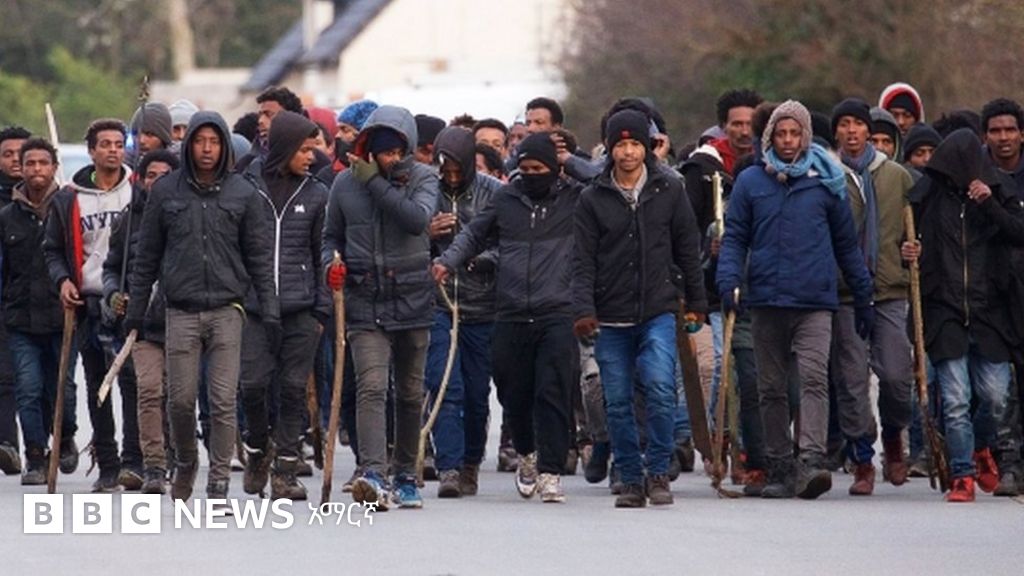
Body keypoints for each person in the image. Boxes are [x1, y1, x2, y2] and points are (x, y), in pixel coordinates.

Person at [716, 100, 874, 500]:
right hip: (766, 300)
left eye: (795, 133)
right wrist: (728, 280)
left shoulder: (827, 182)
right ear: (769, 137)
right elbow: (735, 238)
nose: (788, 141)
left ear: (806, 136)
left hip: (814, 301)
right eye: (781, 134)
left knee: (814, 379)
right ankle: (779, 464)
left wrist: (863, 294)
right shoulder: (751, 182)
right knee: (770, 387)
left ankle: (811, 461)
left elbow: (847, 245)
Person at [126, 111, 278, 503]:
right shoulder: (166, 191)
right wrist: (136, 310)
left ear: (224, 145)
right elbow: (147, 257)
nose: (207, 149)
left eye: (214, 141)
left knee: (224, 399)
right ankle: (187, 460)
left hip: (228, 308)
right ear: (189, 144)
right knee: (180, 400)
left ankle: (220, 478)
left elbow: (259, 258)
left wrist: (270, 309)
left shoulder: (243, 193)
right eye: (199, 141)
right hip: (180, 309)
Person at [434, 132, 582, 503]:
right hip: (511, 310)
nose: (531, 176)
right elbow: (473, 235)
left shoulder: (574, 198)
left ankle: (550, 472)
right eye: (525, 169)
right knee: (513, 393)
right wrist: (447, 262)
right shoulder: (506, 199)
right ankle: (527, 454)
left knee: (552, 391)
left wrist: (570, 161)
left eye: (539, 169)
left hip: (556, 310)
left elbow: (603, 177)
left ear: (554, 168)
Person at [573, 109, 707, 507]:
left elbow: (687, 248)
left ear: (647, 147)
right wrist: (583, 309)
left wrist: (697, 303)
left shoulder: (669, 190)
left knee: (661, 388)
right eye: (621, 145)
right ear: (609, 149)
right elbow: (582, 261)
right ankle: (630, 477)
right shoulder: (592, 198)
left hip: (658, 310)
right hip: (610, 316)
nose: (628, 152)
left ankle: (658, 472)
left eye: (635, 144)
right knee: (617, 401)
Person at [322, 105, 439, 510]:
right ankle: (372, 472)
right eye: (382, 151)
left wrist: (373, 182)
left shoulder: (423, 178)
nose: (390, 159)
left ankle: (405, 474)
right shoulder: (343, 184)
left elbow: (417, 220)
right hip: (363, 299)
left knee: (408, 393)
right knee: (371, 388)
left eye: (396, 152)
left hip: (412, 299)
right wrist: (330, 264)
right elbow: (330, 236)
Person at [903, 128, 1024, 502]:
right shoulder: (926, 198)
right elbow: (906, 241)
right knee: (955, 400)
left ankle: (984, 447)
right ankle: (962, 474)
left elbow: (1018, 233)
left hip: (990, 314)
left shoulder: (998, 192)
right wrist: (908, 252)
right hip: (945, 313)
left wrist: (989, 203)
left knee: (996, 396)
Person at [238, 111, 329, 501]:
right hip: (254, 308)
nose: (312, 156)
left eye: (314, 149)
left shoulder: (317, 193)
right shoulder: (246, 188)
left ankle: (286, 471)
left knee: (293, 389)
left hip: (300, 307)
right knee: (252, 385)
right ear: (286, 147)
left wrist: (322, 308)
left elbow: (323, 253)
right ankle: (259, 448)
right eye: (305, 149)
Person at [44, 118, 134, 492]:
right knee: (98, 384)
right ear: (92, 151)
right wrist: (63, 280)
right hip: (89, 301)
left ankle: (135, 461)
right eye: (106, 144)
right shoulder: (69, 198)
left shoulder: (138, 192)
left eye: (119, 144)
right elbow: (52, 249)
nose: (113, 150)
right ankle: (108, 464)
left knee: (132, 381)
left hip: (129, 300)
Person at [830, 98, 915, 495]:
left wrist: (916, 247)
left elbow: (917, 226)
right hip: (844, 292)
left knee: (897, 376)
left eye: (858, 124)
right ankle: (862, 457)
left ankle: (894, 436)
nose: (852, 131)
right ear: (836, 131)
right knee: (851, 381)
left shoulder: (897, 176)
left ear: (869, 130)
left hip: (889, 288)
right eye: (844, 123)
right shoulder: (826, 175)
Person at [426, 126, 502, 498]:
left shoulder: (495, 193)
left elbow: (513, 244)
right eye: (447, 170)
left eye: (459, 170)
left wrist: (483, 259)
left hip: (483, 305)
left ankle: (471, 459)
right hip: (438, 304)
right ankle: (449, 467)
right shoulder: (426, 190)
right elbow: (403, 238)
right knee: (444, 385)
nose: (452, 177)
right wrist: (426, 233)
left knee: (475, 392)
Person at [0, 138, 77, 485]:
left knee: (62, 389)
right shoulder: (7, 217)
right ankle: (35, 456)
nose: (36, 169)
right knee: (28, 388)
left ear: (53, 168)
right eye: (29, 163)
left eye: (43, 163)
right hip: (20, 319)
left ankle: (66, 436)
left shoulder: (68, 208)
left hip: (63, 318)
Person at [102, 149, 179, 494]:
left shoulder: (190, 215)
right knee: (148, 390)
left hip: (183, 319)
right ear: (141, 179)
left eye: (166, 175)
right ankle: (154, 465)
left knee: (179, 396)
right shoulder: (128, 221)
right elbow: (110, 268)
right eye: (151, 175)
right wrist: (112, 295)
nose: (157, 182)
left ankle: (178, 455)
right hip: (142, 323)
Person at [0, 125, 31, 475]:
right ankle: (8, 444)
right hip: (4, 298)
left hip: (38, 299)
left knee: (37, 381)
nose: (15, 161)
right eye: (7, 154)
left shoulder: (50, 200)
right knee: (5, 375)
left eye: (20, 154)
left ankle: (48, 442)